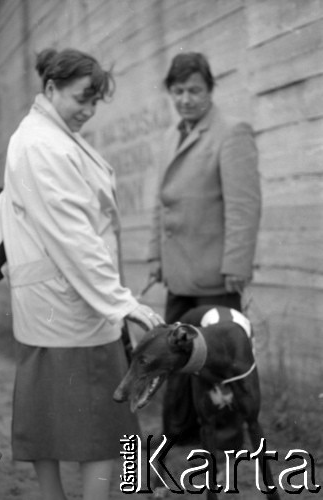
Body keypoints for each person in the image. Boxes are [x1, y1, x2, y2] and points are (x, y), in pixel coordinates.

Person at [1, 48, 163, 500]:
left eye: (95, 102)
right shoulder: (43, 143)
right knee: (103, 423)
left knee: (46, 418)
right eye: (81, 99)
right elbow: (74, 234)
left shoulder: (43, 136)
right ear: (50, 89)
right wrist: (120, 302)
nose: (88, 111)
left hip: (55, 302)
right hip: (73, 304)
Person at [148, 52, 261, 446]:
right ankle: (180, 435)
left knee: (217, 362)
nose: (186, 99)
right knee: (173, 355)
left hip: (216, 275)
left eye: (194, 90)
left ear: (210, 90)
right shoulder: (169, 136)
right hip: (179, 273)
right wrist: (154, 257)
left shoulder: (232, 132)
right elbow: (160, 204)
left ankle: (226, 441)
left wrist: (237, 263)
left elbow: (244, 205)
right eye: (177, 91)